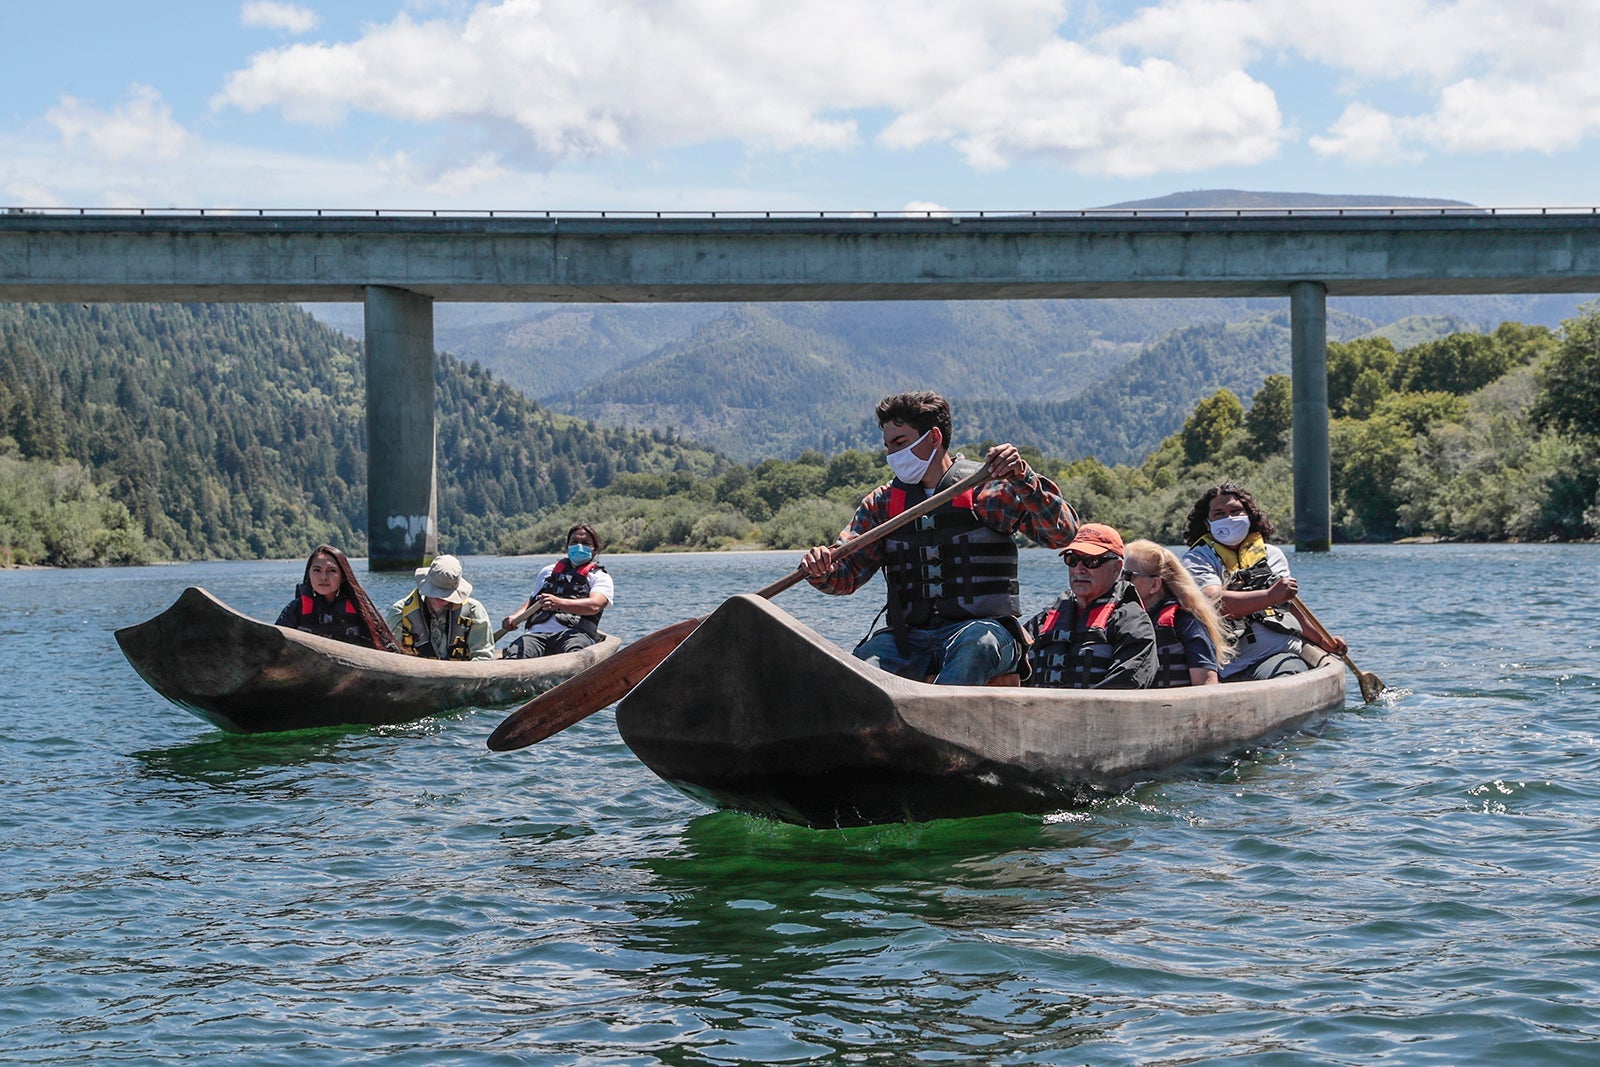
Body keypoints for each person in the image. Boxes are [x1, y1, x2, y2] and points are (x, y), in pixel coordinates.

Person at [799, 390, 1079, 686]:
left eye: (900, 443)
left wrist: (1023, 478)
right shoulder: (882, 504)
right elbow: (846, 577)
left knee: (975, 645)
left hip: (985, 633)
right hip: (907, 641)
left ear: (933, 437)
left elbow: (1061, 534)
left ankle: (939, 725)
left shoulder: (986, 490)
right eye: (888, 447)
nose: (892, 456)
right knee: (860, 668)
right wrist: (821, 569)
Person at [1179, 482, 1347, 681]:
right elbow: (1214, 603)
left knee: (1289, 670)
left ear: (1249, 516)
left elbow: (1289, 605)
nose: (1229, 518)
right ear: (1207, 523)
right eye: (1219, 514)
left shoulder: (1272, 555)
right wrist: (1269, 595)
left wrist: (1322, 639)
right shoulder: (1198, 558)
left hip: (1279, 655)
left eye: (1235, 511)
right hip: (1230, 666)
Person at [1023, 523, 1157, 689]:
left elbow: (1127, 684)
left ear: (1116, 569)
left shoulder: (1133, 623)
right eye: (1072, 560)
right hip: (1037, 712)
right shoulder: (1043, 620)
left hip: (1097, 714)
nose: (1079, 569)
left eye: (1091, 561)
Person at [1122, 538, 1231, 687]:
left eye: (1127, 576)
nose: (1120, 582)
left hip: (1175, 707)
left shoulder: (1186, 620)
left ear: (1154, 585)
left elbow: (1206, 684)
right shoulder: (1123, 619)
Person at [501, 523, 614, 659]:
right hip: (537, 635)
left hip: (574, 634)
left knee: (575, 656)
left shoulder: (599, 576)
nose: (579, 546)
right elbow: (533, 600)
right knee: (515, 654)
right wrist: (515, 617)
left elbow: (595, 605)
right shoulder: (548, 571)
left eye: (585, 543)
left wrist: (559, 603)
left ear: (594, 549)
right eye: (574, 542)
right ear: (567, 546)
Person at [275, 544, 401, 652]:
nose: (323, 577)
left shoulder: (360, 609)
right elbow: (275, 643)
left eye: (331, 571)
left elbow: (387, 646)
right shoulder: (296, 609)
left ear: (343, 576)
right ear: (309, 574)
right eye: (317, 570)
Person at [386, 554, 493, 661]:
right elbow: (389, 655)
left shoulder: (474, 611)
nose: (440, 598)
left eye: (446, 594)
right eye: (436, 592)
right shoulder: (400, 612)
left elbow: (482, 657)